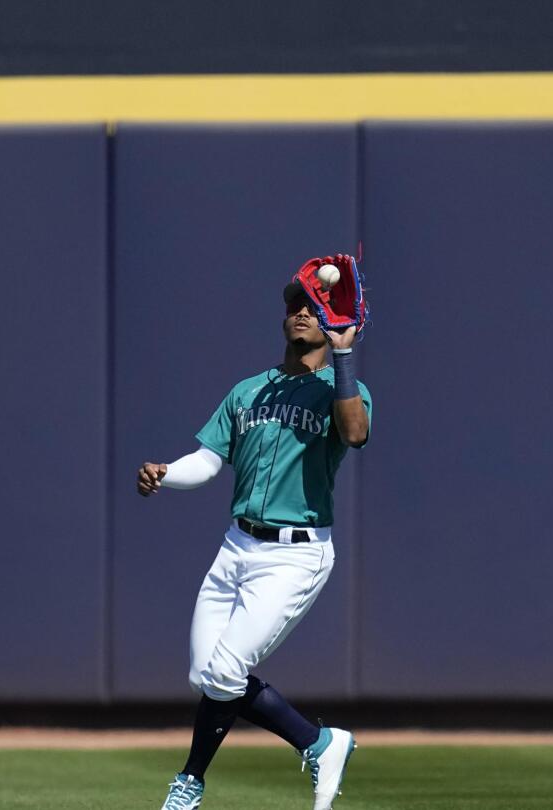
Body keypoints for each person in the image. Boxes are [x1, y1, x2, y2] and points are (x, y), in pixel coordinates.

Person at [137, 276, 372, 810]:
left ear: (331, 320)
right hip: (236, 546)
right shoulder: (247, 390)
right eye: (294, 305)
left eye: (311, 306)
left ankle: (190, 781)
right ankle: (320, 743)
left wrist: (344, 355)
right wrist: (165, 471)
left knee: (225, 671)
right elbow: (207, 462)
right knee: (205, 674)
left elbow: (355, 434)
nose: (300, 313)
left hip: (296, 553)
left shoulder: (344, 390)